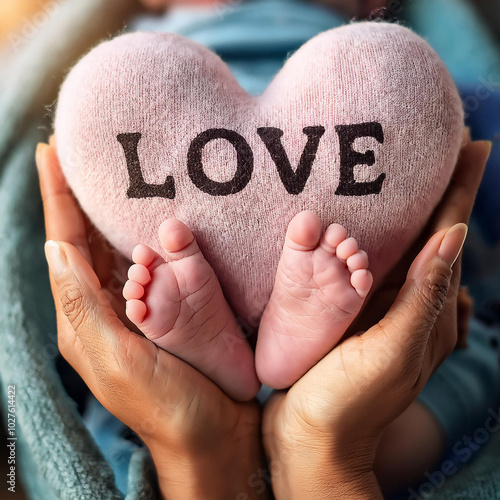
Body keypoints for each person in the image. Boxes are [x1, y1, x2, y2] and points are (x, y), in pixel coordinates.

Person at [38, 132, 492, 498]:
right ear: (153, 8)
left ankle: (239, 352)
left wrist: (199, 458)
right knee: (431, 393)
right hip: (361, 343)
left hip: (361, 323)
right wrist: (323, 453)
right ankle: (275, 354)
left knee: (119, 420)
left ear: (371, 8)